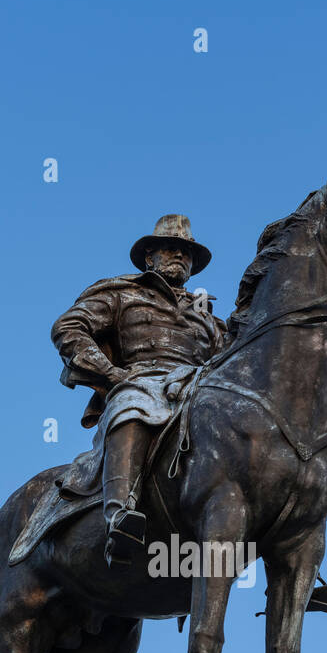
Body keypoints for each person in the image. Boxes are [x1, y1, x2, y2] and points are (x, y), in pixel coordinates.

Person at [51, 215, 228, 566]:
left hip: (198, 387)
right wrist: (112, 374)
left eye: (187, 252)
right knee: (133, 403)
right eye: (170, 248)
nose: (180, 256)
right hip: (142, 380)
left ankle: (285, 553)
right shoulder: (121, 292)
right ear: (150, 257)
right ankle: (119, 514)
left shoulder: (208, 315)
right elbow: (69, 326)